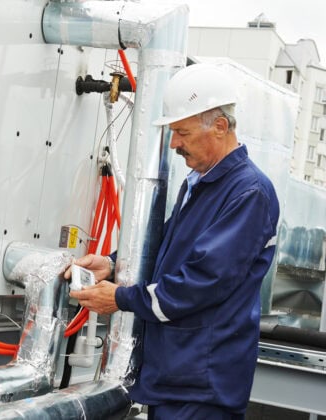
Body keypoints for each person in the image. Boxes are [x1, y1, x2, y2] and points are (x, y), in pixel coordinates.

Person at [67, 63, 280, 420]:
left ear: (221, 127)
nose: (174, 143)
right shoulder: (202, 182)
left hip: (203, 383)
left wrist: (120, 298)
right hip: (179, 376)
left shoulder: (248, 193)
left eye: (181, 132)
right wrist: (112, 263)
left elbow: (202, 281)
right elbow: (168, 246)